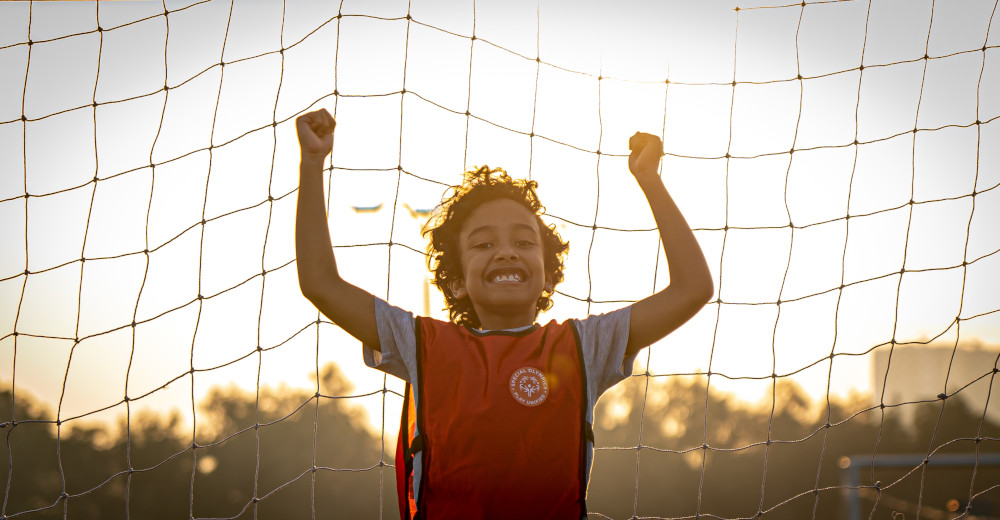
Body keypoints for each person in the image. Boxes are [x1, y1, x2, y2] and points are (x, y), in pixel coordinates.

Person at [295, 108, 714, 520]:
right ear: (457, 281)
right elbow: (320, 284)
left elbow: (693, 288)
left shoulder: (583, 346)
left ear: (549, 276)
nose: (507, 251)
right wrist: (312, 162)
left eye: (523, 242)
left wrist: (649, 179)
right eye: (483, 244)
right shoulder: (421, 345)